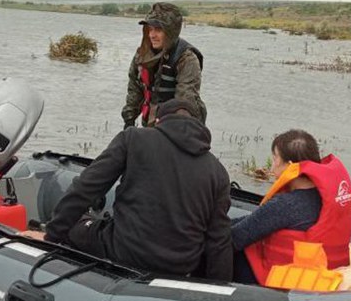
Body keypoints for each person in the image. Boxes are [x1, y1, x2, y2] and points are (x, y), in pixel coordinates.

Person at [21, 98, 232, 281]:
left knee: (77, 226)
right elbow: (219, 241)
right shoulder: (218, 172)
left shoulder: (133, 139)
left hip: (124, 251)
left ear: (158, 121)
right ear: (200, 126)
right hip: (179, 266)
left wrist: (51, 235)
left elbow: (86, 187)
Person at [231, 130, 351, 285]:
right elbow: (255, 221)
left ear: (290, 166)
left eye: (275, 157)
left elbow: (235, 237)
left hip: (286, 281)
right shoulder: (327, 197)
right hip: (322, 276)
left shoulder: (286, 205)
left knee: (224, 246)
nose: (273, 163)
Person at [122, 2, 207, 128]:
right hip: (151, 124)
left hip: (180, 127)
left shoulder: (186, 59)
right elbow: (135, 90)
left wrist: (170, 131)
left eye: (158, 30)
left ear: (171, 32)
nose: (152, 35)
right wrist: (129, 121)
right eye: (150, 29)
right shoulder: (142, 56)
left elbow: (185, 101)